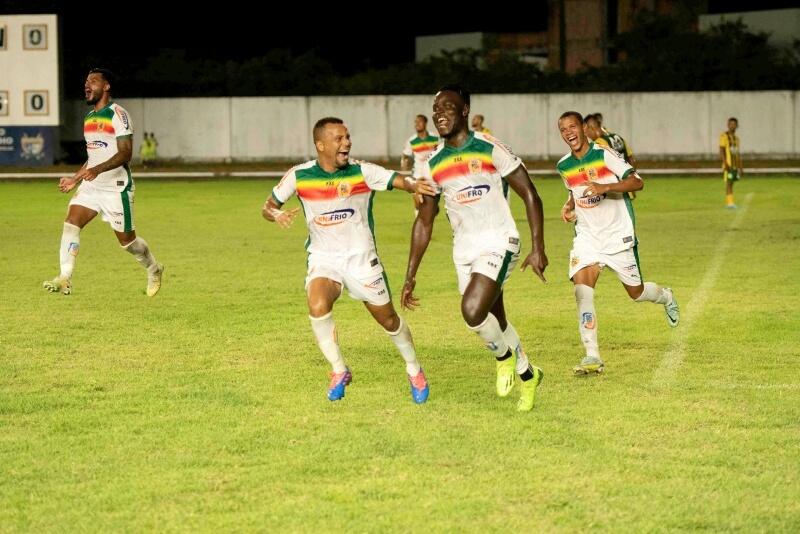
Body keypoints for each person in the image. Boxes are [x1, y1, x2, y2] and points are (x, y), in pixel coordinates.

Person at [261, 117, 436, 403]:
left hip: (361, 261)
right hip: (324, 259)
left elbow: (399, 180)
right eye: (339, 138)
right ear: (321, 145)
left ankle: (414, 368)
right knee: (317, 304)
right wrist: (276, 214)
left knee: (389, 320)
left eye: (348, 137)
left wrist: (416, 186)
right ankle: (339, 370)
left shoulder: (362, 171)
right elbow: (268, 206)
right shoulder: (299, 175)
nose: (347, 142)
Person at [401, 85, 547, 412]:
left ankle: (504, 358)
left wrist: (538, 247)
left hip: (499, 240)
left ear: (465, 110)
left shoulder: (489, 147)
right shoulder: (432, 165)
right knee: (496, 319)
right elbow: (424, 222)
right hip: (464, 250)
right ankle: (528, 374)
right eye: (436, 108)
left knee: (472, 311)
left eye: (448, 107)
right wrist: (410, 275)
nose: (440, 114)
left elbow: (530, 194)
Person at [556, 111, 679, 376]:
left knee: (636, 293)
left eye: (572, 126)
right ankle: (592, 356)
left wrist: (604, 187)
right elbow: (574, 192)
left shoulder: (603, 154)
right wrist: (568, 206)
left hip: (617, 235)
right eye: (563, 129)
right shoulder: (564, 165)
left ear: (583, 128)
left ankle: (666, 296)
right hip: (588, 237)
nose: (568, 132)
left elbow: (637, 181)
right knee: (582, 291)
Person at [43, 68, 164, 297]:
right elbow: (94, 156)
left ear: (106, 86)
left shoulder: (118, 115)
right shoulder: (89, 119)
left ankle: (153, 268)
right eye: (86, 82)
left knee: (128, 243)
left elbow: (125, 153)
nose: (87, 85)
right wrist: (75, 178)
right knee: (71, 223)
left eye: (93, 81)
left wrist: (97, 170)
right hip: (92, 186)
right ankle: (65, 277)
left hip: (116, 188)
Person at [587, 113, 637, 199]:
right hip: (627, 187)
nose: (587, 136)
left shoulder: (599, 143)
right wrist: (631, 181)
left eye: (586, 132)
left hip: (613, 190)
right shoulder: (617, 137)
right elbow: (632, 160)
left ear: (591, 128)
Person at [400, 115, 439, 209]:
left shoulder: (435, 138)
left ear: (425, 123)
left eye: (419, 121)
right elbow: (405, 156)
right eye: (415, 122)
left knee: (431, 205)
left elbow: (441, 153)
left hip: (432, 174)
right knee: (418, 203)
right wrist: (404, 173)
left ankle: (433, 210)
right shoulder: (411, 140)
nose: (417, 124)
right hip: (417, 174)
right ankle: (420, 219)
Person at [719, 117, 742, 208]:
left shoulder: (737, 139)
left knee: (732, 182)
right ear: (728, 125)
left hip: (735, 165)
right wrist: (725, 163)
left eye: (734, 124)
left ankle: (731, 202)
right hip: (728, 164)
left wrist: (741, 166)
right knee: (729, 182)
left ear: (737, 126)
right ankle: (729, 203)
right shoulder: (724, 136)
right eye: (730, 124)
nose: (732, 126)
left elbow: (737, 153)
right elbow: (721, 150)